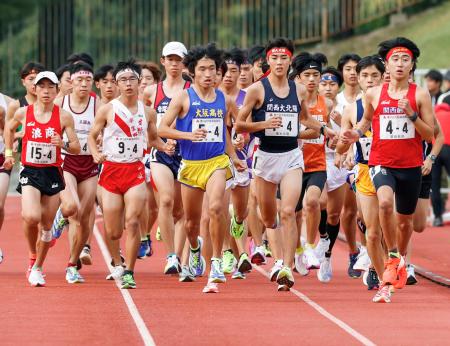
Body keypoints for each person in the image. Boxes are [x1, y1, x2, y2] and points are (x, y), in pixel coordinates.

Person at [236, 38, 335, 291]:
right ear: (268, 61)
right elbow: (239, 125)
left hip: (291, 156)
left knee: (288, 211)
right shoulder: (257, 90)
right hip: (265, 158)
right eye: (274, 58)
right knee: (269, 219)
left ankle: (286, 267)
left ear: (290, 61)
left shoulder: (298, 89)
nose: (279, 62)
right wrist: (263, 125)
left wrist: (325, 129)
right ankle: (276, 253)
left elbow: (305, 119)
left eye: (284, 58)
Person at [341, 37, 434, 303]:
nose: (400, 64)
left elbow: (430, 135)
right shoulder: (374, 94)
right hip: (380, 162)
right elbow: (366, 121)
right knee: (383, 205)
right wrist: (354, 133)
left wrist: (412, 116)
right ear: (388, 65)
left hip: (410, 166)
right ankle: (392, 258)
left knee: (405, 222)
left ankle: (399, 259)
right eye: (395, 59)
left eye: (406, 59)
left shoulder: (419, 94)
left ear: (412, 64)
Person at [159, 43, 246, 293]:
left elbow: (229, 131)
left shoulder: (225, 100)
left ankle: (216, 261)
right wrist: (187, 135)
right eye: (203, 69)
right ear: (193, 72)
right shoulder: (183, 98)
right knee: (191, 224)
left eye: (212, 69)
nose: (208, 74)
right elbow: (162, 129)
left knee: (217, 207)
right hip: (191, 166)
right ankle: (194, 249)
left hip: (217, 163)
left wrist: (234, 153)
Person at [88, 59, 167, 289]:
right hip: (111, 171)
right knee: (113, 230)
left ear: (139, 82)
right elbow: (93, 136)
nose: (128, 84)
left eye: (132, 79)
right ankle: (117, 262)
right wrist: (95, 154)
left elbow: (153, 139)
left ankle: (130, 271)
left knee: (132, 222)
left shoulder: (148, 112)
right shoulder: (108, 109)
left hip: (134, 171)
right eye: (123, 80)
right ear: (117, 84)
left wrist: (165, 146)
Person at [3, 71, 80, 286]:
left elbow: (76, 146)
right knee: (30, 216)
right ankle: (31, 255)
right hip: (30, 171)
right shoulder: (23, 113)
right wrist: (9, 153)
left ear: (57, 90)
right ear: (34, 90)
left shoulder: (64, 116)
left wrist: (62, 143)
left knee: (47, 227)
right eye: (42, 87)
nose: (46, 91)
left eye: (51, 87)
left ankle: (38, 267)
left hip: (52, 173)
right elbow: (8, 129)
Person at [337, 55, 385, 291]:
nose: (369, 80)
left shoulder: (393, 105)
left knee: (390, 223)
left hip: (391, 168)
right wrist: (343, 150)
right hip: (365, 170)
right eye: (364, 75)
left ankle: (390, 263)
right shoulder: (350, 109)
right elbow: (341, 145)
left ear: (383, 77)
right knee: (370, 224)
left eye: (374, 75)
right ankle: (376, 267)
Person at [51, 62, 101, 283]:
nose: (83, 85)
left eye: (87, 81)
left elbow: (105, 128)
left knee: (82, 217)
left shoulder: (96, 104)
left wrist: (100, 139)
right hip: (66, 162)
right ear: (71, 82)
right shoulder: (61, 103)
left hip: (89, 164)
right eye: (79, 80)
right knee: (74, 208)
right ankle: (61, 216)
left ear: (92, 83)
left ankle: (72, 265)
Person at [144, 42, 190, 275]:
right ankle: (171, 256)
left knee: (182, 212)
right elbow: (143, 121)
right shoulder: (152, 92)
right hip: (160, 153)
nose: (174, 64)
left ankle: (182, 257)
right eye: (170, 59)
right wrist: (157, 141)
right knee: (165, 200)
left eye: (178, 60)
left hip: (187, 154)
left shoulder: (192, 89)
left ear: (184, 62)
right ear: (163, 61)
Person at [337, 53, 364, 278]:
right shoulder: (335, 101)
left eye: (357, 69)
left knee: (364, 213)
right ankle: (354, 251)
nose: (353, 73)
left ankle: (367, 251)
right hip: (340, 161)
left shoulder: (369, 99)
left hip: (364, 160)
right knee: (348, 211)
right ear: (342, 73)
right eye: (348, 69)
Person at [431, 97, 450, 226]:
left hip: (435, 150)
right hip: (449, 148)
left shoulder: (432, 115)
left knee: (435, 185)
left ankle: (438, 217)